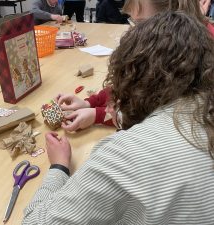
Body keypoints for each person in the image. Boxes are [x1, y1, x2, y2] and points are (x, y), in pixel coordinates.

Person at [22, 11, 214, 224]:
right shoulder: (203, 107)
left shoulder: (127, 155)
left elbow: (36, 222)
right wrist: (94, 109)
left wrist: (59, 167)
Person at [56, 0, 214, 132]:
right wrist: (91, 102)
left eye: (139, 23)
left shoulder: (194, 59)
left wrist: (96, 114)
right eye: (132, 22)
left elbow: (149, 115)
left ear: (171, 21)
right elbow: (135, 84)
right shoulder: (171, 47)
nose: (134, 32)